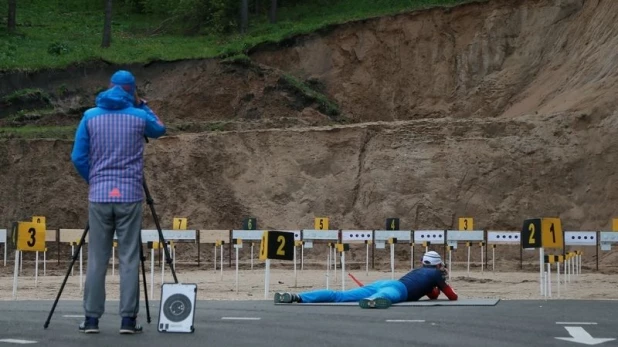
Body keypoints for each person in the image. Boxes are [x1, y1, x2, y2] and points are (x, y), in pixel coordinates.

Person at [70, 70, 166, 334]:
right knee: (129, 258)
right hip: (130, 195)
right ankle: (127, 320)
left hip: (100, 196)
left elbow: (78, 157)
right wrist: (143, 105)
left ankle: (91, 319)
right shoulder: (138, 117)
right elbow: (159, 129)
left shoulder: (90, 116)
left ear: (109, 87)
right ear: (131, 91)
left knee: (97, 260)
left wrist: (95, 179)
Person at [274, 251, 458, 308]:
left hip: (387, 282)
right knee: (388, 297)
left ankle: (297, 297)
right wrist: (443, 280)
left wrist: (435, 287)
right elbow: (452, 297)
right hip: (399, 289)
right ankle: (372, 302)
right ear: (438, 265)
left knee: (340, 296)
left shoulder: (419, 272)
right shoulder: (436, 274)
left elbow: (431, 294)